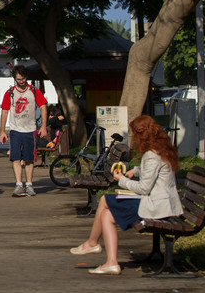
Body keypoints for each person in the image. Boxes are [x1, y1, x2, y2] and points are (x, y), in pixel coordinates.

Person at [70, 115, 182, 275]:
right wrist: (134, 171)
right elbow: (154, 171)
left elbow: (144, 188)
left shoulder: (151, 155)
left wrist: (121, 179)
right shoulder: (162, 149)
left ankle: (93, 243)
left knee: (105, 199)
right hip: (164, 204)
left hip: (155, 206)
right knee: (107, 215)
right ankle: (110, 262)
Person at [0, 65, 48, 197]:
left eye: (23, 78)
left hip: (30, 129)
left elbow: (43, 107)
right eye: (18, 79)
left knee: (29, 158)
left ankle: (30, 185)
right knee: (15, 157)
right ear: (14, 78)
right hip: (15, 129)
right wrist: (2, 130)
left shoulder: (33, 91)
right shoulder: (10, 92)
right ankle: (19, 185)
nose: (21, 81)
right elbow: (4, 111)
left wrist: (43, 126)